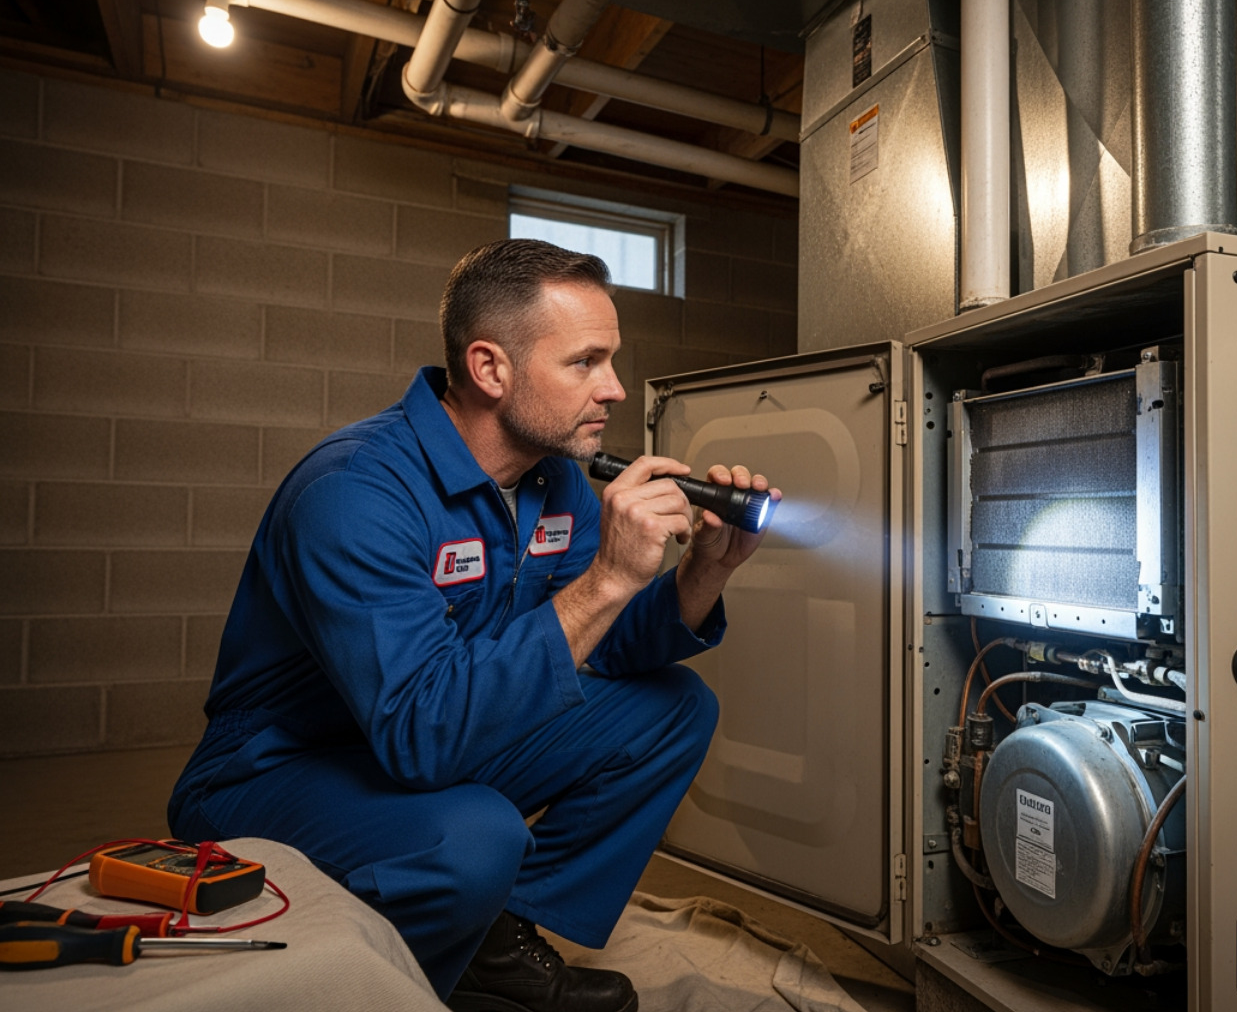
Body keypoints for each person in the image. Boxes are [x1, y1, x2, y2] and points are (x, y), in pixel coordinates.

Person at [167, 239, 780, 1012]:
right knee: (477, 835)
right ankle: (386, 985)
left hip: (432, 734)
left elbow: (608, 646)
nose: (616, 389)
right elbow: (421, 734)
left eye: (611, 360)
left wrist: (703, 574)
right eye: (585, 363)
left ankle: (496, 942)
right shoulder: (354, 491)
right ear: (491, 369)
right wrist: (611, 577)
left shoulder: (553, 481)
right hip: (277, 770)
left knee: (673, 709)